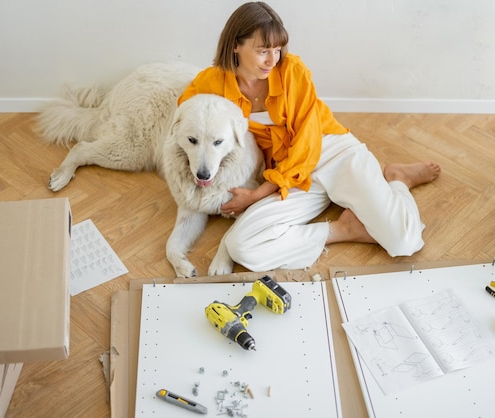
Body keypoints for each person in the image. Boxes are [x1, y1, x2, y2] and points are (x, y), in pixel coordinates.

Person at [178, 1, 441, 272]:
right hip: (288, 174)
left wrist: (257, 194)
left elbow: (307, 146)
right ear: (236, 45)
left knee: (404, 242)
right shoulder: (211, 82)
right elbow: (186, 116)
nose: (272, 60)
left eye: (277, 50)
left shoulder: (293, 71)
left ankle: (399, 180)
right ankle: (343, 229)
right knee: (241, 246)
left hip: (331, 152)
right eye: (262, 51)